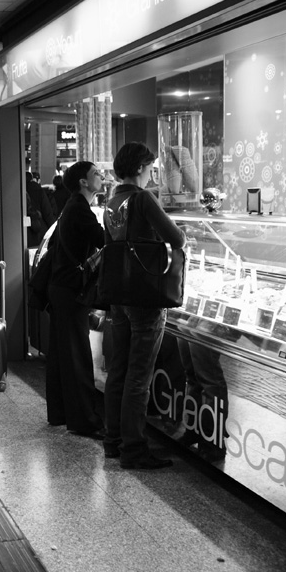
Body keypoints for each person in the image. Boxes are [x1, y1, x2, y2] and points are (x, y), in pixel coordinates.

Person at [102, 142, 186, 470]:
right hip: (145, 296)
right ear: (140, 167)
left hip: (119, 295)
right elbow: (175, 239)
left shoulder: (112, 200)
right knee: (140, 374)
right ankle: (135, 449)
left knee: (119, 370)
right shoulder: (142, 197)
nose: (151, 174)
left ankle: (113, 440)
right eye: (150, 168)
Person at [45, 161, 105, 436]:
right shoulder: (81, 209)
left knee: (61, 354)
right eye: (96, 174)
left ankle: (59, 413)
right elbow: (105, 240)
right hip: (71, 291)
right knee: (78, 355)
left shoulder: (71, 206)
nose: (101, 177)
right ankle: (84, 422)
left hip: (60, 287)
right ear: (83, 181)